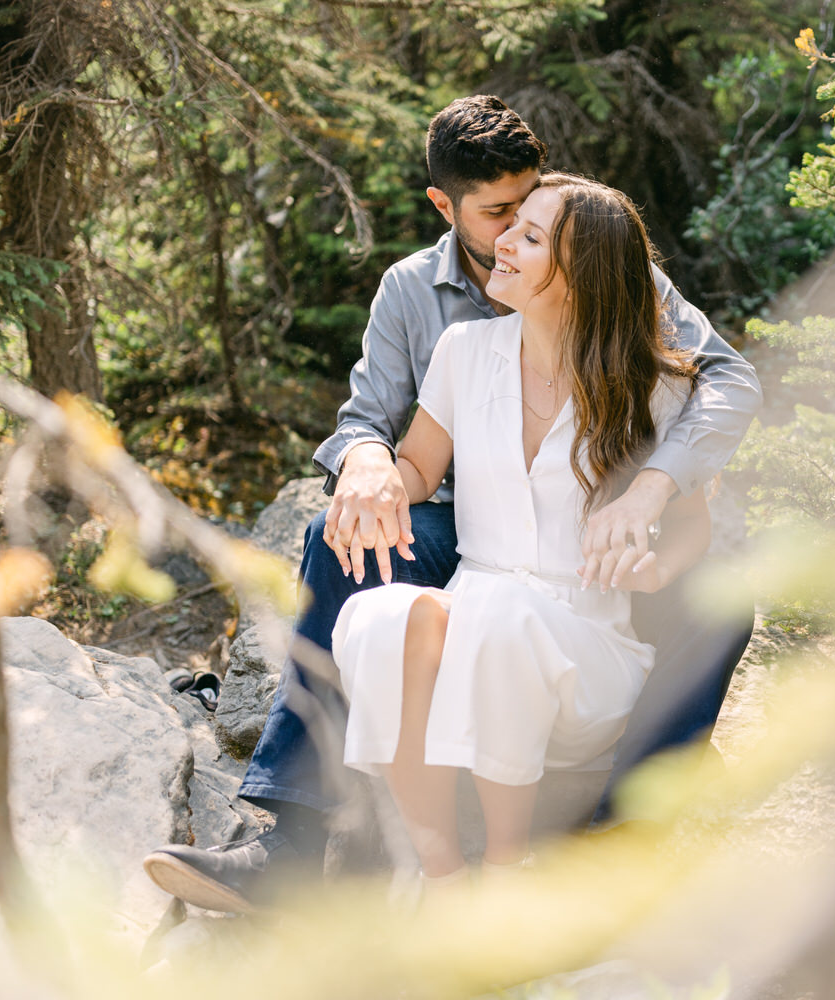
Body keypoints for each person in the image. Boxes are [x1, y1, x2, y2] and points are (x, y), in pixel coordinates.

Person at [142, 96, 760, 913]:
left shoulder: (614, 269)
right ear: (446, 205)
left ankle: (618, 832)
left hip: (582, 549)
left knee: (720, 602)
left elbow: (723, 380)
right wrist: (366, 466)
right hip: (461, 530)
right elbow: (383, 432)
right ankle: (294, 842)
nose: (511, 230)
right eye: (499, 213)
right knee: (344, 553)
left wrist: (652, 492)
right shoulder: (418, 301)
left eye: (529, 209)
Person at [336, 173, 708, 883]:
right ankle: (441, 874)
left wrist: (656, 570)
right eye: (512, 228)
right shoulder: (463, 350)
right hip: (476, 606)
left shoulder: (656, 384)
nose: (501, 242)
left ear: (581, 273)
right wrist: (376, 472)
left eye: (530, 237)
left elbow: (693, 523)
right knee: (378, 618)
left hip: (585, 649)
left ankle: (508, 870)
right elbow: (417, 466)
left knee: (504, 616)